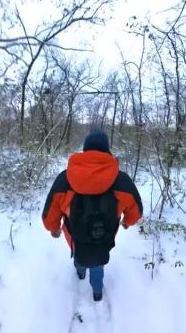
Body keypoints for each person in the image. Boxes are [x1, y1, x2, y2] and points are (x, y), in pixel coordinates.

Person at [42, 129, 142, 301]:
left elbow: (50, 211)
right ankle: (97, 291)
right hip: (105, 235)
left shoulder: (64, 179)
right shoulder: (122, 180)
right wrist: (127, 222)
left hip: (74, 234)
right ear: (107, 150)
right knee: (98, 260)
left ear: (85, 150)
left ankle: (80, 271)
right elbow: (136, 211)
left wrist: (54, 229)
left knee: (79, 251)